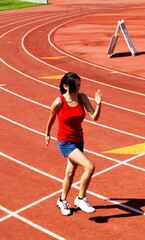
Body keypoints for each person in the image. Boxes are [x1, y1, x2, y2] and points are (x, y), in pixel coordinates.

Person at [45, 72, 102, 216]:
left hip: (78, 140)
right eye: (74, 85)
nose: (77, 88)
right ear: (65, 86)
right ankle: (81, 198)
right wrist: (47, 134)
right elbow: (51, 118)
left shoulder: (82, 98)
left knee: (70, 172)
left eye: (78, 85)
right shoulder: (59, 102)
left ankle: (62, 200)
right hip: (65, 142)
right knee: (90, 167)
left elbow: (94, 117)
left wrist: (98, 104)